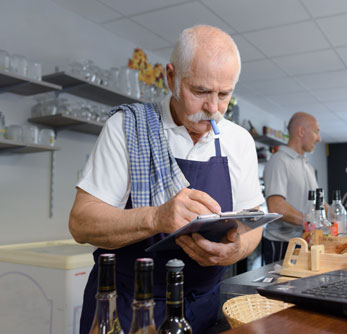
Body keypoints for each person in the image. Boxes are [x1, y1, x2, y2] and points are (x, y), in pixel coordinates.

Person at [69, 25, 264, 334]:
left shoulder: (238, 140)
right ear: (170, 77)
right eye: (199, 92)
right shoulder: (126, 127)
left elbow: (254, 220)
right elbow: (81, 223)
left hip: (203, 308)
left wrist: (236, 250)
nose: (213, 109)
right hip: (129, 308)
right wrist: (156, 217)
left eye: (224, 95)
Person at [262, 112, 321, 264]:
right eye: (316, 131)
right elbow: (276, 206)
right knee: (279, 287)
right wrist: (310, 222)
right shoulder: (279, 161)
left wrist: (336, 214)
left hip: (303, 240)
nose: (319, 138)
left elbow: (318, 203)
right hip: (281, 244)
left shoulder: (307, 165)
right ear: (301, 132)